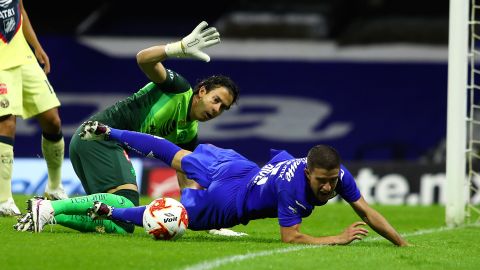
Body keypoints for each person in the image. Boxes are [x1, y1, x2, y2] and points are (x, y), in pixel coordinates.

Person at [17, 121, 409, 246]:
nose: (327, 189)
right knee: (165, 218)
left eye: (331, 182)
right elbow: (291, 239)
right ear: (309, 172)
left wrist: (401, 243)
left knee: (176, 156)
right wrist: (336, 239)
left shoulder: (332, 171)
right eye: (322, 183)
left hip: (238, 167)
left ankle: (110, 132)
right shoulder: (296, 187)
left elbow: (366, 209)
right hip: (230, 198)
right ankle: (78, 210)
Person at [67, 21, 241, 235]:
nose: (216, 109)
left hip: (89, 142)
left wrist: (212, 226)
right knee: (127, 206)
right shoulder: (178, 89)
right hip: (98, 138)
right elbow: (143, 59)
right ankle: (50, 209)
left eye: (223, 108)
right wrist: (178, 48)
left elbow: (186, 182)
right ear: (202, 91)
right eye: (216, 100)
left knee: (113, 221)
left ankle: (49, 210)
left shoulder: (189, 133)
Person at [0, 0, 67, 216]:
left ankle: (55, 188)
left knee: (52, 119)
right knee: (6, 123)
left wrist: (36, 46)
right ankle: (3, 200)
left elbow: (19, 8)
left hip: (24, 58)